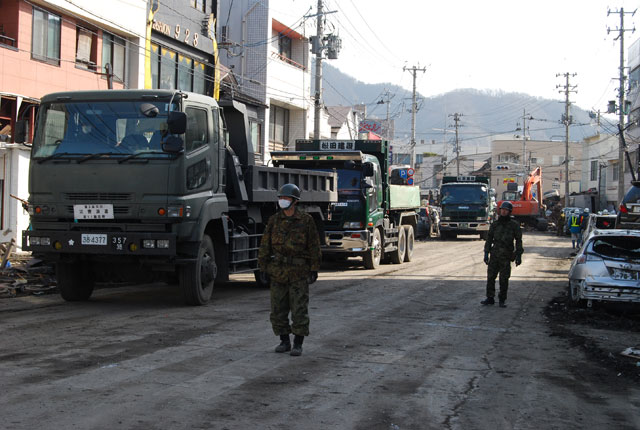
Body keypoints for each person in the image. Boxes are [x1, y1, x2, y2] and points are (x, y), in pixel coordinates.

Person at [258, 183, 321, 357]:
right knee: (278, 308)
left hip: (298, 271)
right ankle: (284, 341)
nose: (282, 201)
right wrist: (263, 266)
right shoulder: (274, 220)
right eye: (281, 198)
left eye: (285, 198)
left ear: (294, 201)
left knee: (299, 308)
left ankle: (298, 343)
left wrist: (314, 268)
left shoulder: (306, 220)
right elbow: (265, 245)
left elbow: (314, 245)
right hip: (278, 270)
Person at [482, 201, 523, 308]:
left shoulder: (514, 225)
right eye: (502, 210)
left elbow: (518, 240)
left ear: (509, 212)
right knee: (491, 277)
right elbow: (489, 239)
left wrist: (518, 255)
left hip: (506, 255)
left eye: (505, 210)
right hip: (494, 254)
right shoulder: (495, 224)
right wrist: (486, 253)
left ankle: (502, 299)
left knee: (504, 279)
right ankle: (490, 297)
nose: (503, 212)